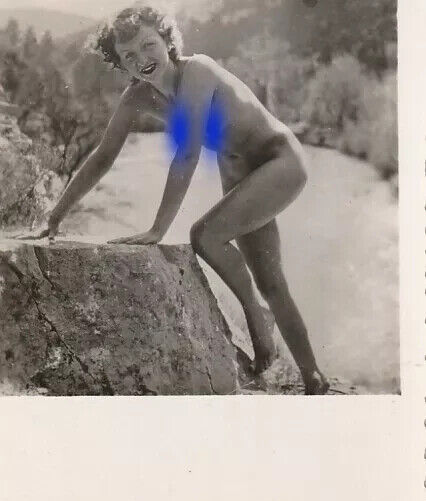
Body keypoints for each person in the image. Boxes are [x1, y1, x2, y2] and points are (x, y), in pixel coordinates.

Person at [22, 5, 329, 394]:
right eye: (128, 55)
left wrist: (158, 229)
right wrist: (56, 216)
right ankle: (313, 377)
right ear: (120, 63)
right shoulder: (137, 97)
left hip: (278, 159)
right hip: (238, 170)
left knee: (205, 236)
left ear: (167, 40)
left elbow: (187, 152)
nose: (141, 59)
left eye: (147, 45)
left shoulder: (198, 71)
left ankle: (258, 317)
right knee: (270, 280)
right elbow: (103, 156)